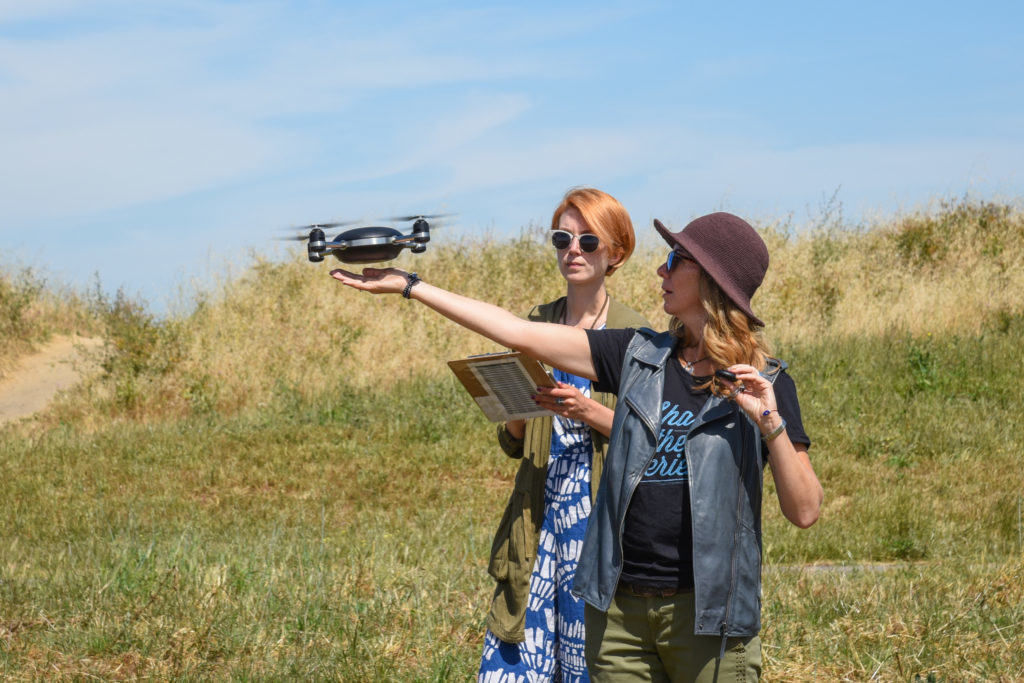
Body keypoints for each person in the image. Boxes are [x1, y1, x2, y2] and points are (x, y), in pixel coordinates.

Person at [330, 211, 824, 682]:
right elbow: (518, 332)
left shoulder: (767, 383)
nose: (661, 268)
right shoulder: (637, 355)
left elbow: (804, 511)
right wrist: (411, 286)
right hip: (620, 617)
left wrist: (769, 422)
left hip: (707, 618)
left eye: (676, 260)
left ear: (712, 280)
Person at [478, 188, 649, 682]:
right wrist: (515, 405)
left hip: (596, 518)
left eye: (588, 240)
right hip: (538, 513)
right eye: (563, 238)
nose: (573, 250)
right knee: (515, 659)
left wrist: (587, 410)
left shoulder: (634, 334)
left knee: (586, 660)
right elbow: (516, 443)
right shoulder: (536, 323)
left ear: (615, 253)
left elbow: (653, 440)